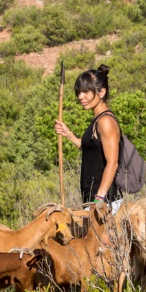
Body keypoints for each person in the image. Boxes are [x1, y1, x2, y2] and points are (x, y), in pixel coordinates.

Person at [54, 64, 123, 212]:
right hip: (93, 199)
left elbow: (113, 163)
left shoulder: (106, 122)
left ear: (101, 92)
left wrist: (99, 199)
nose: (80, 97)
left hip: (105, 202)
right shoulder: (97, 120)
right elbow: (91, 150)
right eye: (79, 92)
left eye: (86, 92)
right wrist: (69, 134)